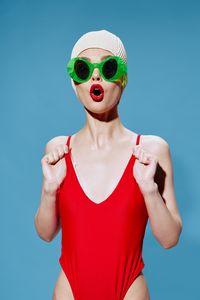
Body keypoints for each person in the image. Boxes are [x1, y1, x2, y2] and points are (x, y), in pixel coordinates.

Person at [34, 29, 183, 300]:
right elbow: (46, 233)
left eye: (109, 67)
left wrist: (148, 189)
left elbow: (169, 239)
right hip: (68, 291)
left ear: (123, 78)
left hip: (129, 290)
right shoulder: (57, 149)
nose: (95, 75)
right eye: (82, 69)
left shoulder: (152, 150)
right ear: (73, 83)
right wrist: (49, 190)